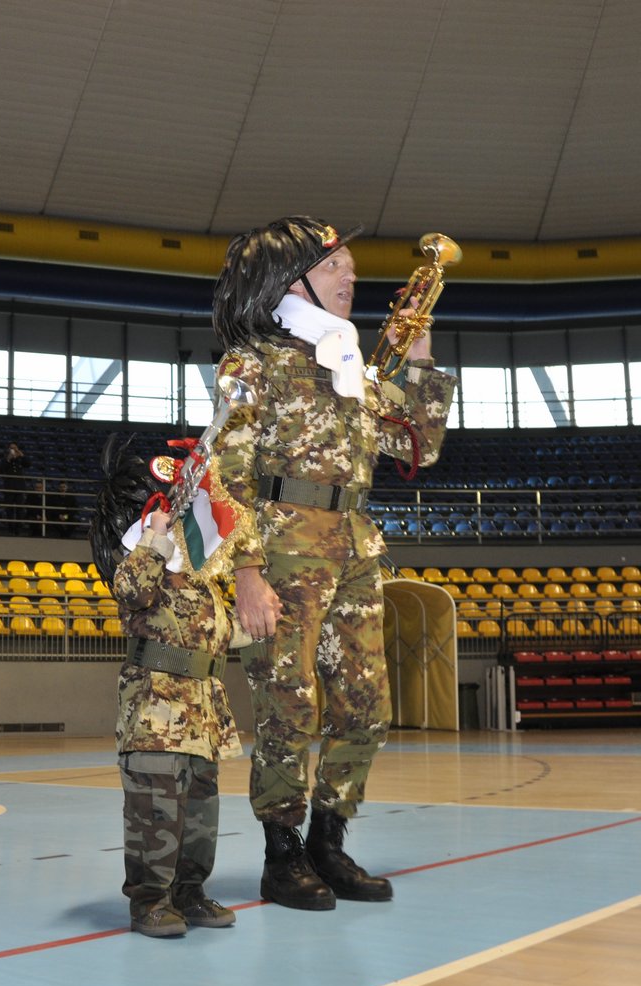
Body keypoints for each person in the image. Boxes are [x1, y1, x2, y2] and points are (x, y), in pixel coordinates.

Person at [210, 216, 456, 910]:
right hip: (283, 550)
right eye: (336, 267)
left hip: (352, 549)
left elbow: (422, 443)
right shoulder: (251, 364)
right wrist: (248, 572)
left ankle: (329, 841)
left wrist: (420, 352)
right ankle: (281, 855)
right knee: (287, 708)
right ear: (294, 284)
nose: (352, 277)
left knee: (366, 707)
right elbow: (227, 473)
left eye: (350, 266)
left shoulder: (350, 364)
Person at [91, 438, 244, 938]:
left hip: (202, 717)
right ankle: (149, 903)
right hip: (155, 717)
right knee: (154, 816)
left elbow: (223, 634)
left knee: (200, 818)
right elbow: (131, 590)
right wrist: (155, 536)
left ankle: (190, 893)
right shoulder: (136, 564)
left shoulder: (196, 581)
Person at [0, 442, 30, 532]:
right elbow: (1, 468)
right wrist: (9, 458)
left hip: (19, 486)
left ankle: (19, 527)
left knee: (20, 508)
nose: (13, 450)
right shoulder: (5, 458)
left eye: (15, 448)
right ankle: (11, 527)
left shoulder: (20, 458)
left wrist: (21, 455)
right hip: (9, 486)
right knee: (9, 509)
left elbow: (28, 464)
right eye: (11, 448)